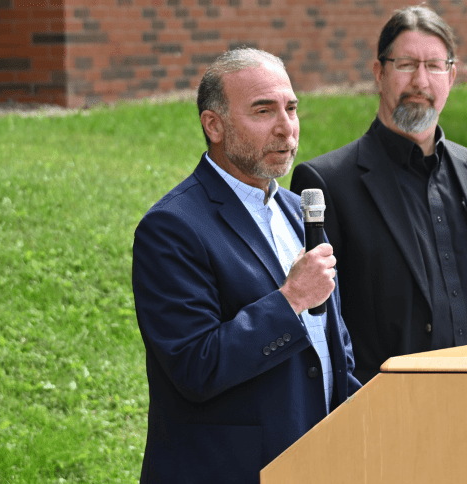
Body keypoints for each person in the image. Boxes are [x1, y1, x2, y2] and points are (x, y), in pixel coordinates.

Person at [132, 47, 361, 484]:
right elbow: (194, 366)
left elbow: (333, 345)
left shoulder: (298, 211)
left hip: (317, 463)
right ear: (213, 125)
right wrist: (290, 300)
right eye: (263, 110)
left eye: (291, 108)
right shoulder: (172, 227)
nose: (286, 127)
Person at [290, 5, 467, 385]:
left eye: (434, 66)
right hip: (388, 406)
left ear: (451, 76)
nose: (420, 81)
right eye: (406, 65)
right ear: (379, 73)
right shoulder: (328, 183)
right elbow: (319, 328)